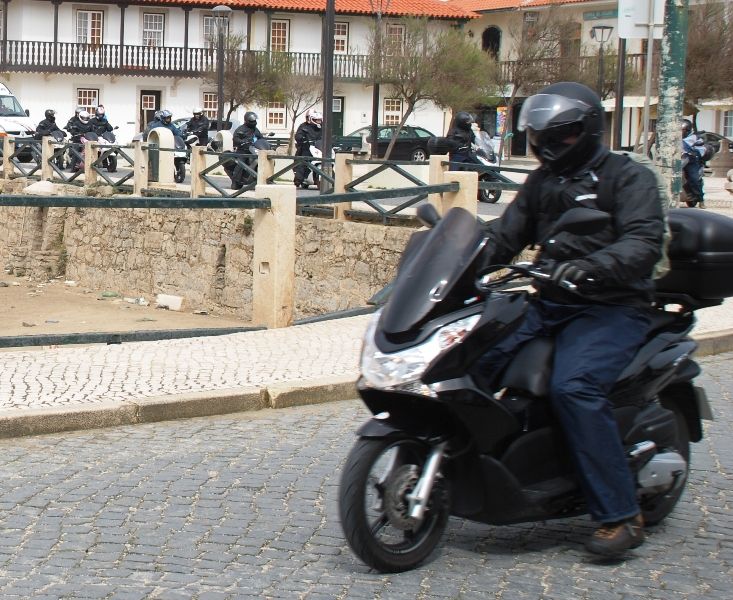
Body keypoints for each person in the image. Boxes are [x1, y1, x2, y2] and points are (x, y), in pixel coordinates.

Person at [476, 82, 665, 557]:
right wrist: (460, 257)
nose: (547, 146)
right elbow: (506, 234)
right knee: (473, 356)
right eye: (540, 137)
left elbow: (644, 241)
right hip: (548, 302)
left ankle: (619, 514)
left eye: (557, 136)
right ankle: (482, 470)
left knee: (574, 388)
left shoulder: (627, 178)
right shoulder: (542, 181)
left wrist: (594, 265)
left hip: (612, 306)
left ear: (586, 131)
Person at [226, 111, 264, 189]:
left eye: (254, 120)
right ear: (247, 120)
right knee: (241, 162)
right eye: (252, 121)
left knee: (266, 160)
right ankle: (235, 181)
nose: (253, 122)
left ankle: (267, 178)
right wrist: (242, 142)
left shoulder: (256, 129)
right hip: (243, 150)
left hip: (254, 149)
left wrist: (265, 142)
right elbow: (236, 138)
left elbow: (261, 138)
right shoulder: (241, 129)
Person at [293, 109, 323, 189]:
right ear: (310, 119)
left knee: (329, 161)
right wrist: (302, 138)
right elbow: (298, 135)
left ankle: (332, 179)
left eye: (319, 120)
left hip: (319, 148)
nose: (318, 121)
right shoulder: (303, 126)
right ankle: (298, 179)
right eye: (316, 120)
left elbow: (328, 134)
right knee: (304, 160)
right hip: (307, 147)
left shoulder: (323, 127)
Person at [681, 118, 706, 209]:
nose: (681, 132)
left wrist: (694, 153)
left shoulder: (694, 138)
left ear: (687, 130)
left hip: (691, 161)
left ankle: (701, 199)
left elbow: (702, 150)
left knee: (694, 178)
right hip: (678, 160)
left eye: (683, 130)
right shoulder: (673, 137)